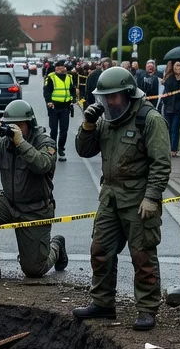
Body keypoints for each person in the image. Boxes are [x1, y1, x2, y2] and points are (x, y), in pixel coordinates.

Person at [73, 67, 172, 331]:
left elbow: (161, 164)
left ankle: (147, 308)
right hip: (110, 198)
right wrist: (88, 125)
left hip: (138, 200)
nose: (108, 102)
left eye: (113, 97)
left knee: (142, 256)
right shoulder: (107, 119)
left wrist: (151, 197)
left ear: (127, 94)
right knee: (100, 250)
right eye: (104, 98)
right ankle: (103, 302)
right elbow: (84, 150)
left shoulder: (149, 120)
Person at [0, 100, 68, 282]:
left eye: (19, 125)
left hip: (35, 209)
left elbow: (42, 165)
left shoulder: (45, 142)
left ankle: (57, 246)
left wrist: (20, 142)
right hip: (9, 201)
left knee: (34, 270)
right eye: (10, 125)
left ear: (30, 124)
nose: (14, 129)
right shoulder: (4, 143)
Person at [41, 58, 74, 159]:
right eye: (63, 66)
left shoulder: (69, 77)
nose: (65, 68)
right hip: (54, 108)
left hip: (65, 108)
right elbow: (46, 91)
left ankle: (61, 148)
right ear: (58, 68)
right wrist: (49, 102)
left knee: (64, 130)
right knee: (54, 130)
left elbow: (72, 90)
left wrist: (72, 100)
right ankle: (53, 148)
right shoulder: (51, 77)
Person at [159, 60, 180, 157]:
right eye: (176, 66)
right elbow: (166, 89)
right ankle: (168, 147)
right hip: (168, 106)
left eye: (179, 66)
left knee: (175, 128)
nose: (177, 68)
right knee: (168, 128)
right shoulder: (169, 77)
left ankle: (174, 149)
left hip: (178, 107)